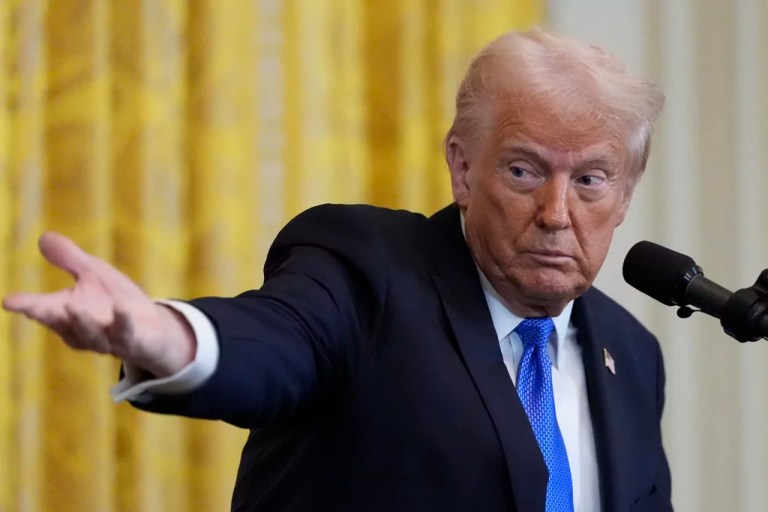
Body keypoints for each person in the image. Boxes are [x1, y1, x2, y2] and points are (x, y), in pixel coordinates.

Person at [3, 30, 672, 512]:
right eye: (524, 171)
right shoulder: (369, 271)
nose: (556, 213)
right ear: (464, 169)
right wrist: (167, 335)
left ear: (624, 197)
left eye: (590, 180)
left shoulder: (632, 354)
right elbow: (273, 341)